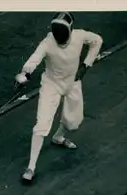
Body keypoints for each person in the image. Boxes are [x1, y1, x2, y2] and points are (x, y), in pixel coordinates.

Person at [15, 12, 103, 183]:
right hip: (51, 85)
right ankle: (31, 167)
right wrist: (25, 72)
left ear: (70, 30)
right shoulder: (48, 41)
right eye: (57, 35)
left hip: (72, 82)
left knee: (74, 121)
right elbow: (35, 58)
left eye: (63, 35)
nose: (60, 39)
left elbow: (97, 41)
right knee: (41, 124)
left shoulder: (80, 36)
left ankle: (58, 137)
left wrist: (86, 65)